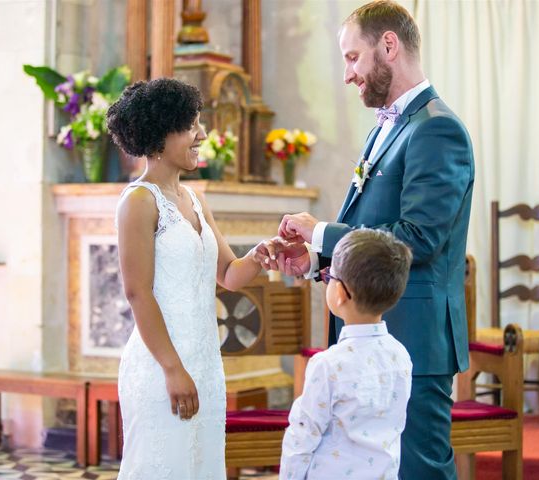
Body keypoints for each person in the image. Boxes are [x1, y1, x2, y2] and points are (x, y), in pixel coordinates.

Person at [275, 2, 475, 478]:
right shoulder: (385, 130)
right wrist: (319, 261)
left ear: (389, 45)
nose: (348, 74)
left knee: (418, 470)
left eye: (351, 57)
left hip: (414, 338)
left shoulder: (437, 129)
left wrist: (322, 231)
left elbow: (417, 238)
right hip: (376, 332)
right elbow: (377, 231)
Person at [108, 78, 278, 479]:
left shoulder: (196, 199)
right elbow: (137, 293)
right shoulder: (138, 201)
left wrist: (263, 253)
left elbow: (229, 275)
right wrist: (172, 368)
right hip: (160, 366)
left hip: (205, 365)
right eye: (190, 126)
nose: (201, 135)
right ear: (158, 134)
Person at [279, 229, 414, 479]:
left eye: (329, 276)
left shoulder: (328, 365)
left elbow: (302, 436)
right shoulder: (400, 355)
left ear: (340, 293)